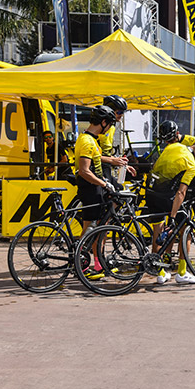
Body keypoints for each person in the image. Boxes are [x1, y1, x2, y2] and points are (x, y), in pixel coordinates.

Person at [145, 120, 195, 285]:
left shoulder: (168, 149)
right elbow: (181, 192)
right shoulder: (191, 163)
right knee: (185, 228)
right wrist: (173, 215)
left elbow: (155, 166)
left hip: (150, 192)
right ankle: (182, 273)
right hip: (166, 196)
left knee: (158, 232)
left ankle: (161, 273)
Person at [75, 105, 117, 279]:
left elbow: (96, 161)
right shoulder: (86, 140)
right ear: (104, 122)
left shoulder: (91, 139)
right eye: (109, 124)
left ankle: (99, 264)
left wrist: (114, 162)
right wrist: (104, 184)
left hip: (96, 188)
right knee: (88, 230)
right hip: (90, 189)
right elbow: (84, 170)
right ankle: (82, 267)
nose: (109, 129)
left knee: (98, 229)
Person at [99, 95, 136, 186]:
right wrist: (112, 161)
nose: (121, 115)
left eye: (123, 112)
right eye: (119, 112)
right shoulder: (101, 127)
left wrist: (122, 163)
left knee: (119, 190)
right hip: (97, 168)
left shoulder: (111, 127)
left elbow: (107, 153)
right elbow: (92, 155)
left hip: (105, 166)